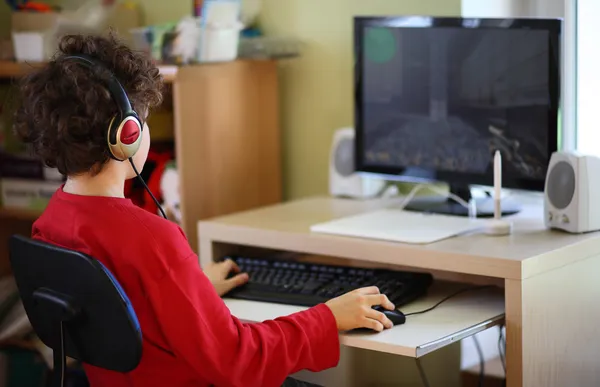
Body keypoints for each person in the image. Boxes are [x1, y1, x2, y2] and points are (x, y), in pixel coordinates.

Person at [14, 33, 396, 387]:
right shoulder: (150, 238)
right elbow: (237, 359)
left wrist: (193, 289)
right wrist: (328, 317)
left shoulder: (52, 221)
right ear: (126, 136)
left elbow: (120, 309)